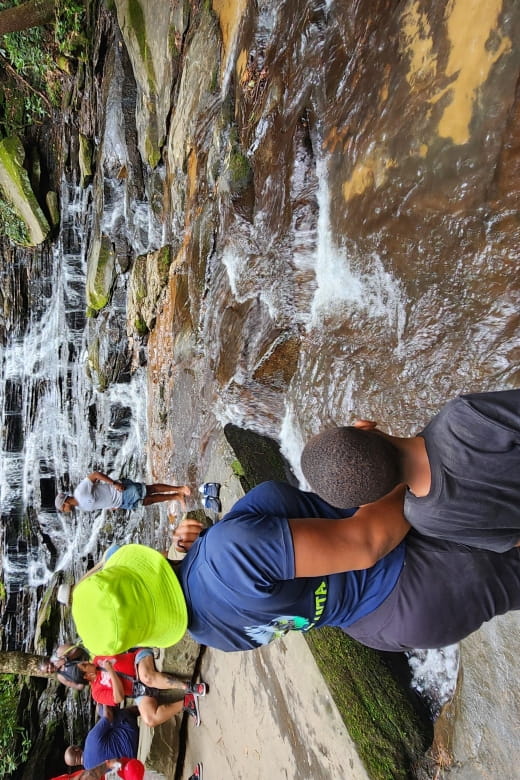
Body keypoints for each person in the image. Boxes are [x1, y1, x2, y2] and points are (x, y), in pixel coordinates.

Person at [71, 481, 520, 654]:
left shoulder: (208, 632)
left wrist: (205, 540)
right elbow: (365, 543)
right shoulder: (226, 552)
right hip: (413, 571)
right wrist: (402, 468)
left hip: (384, 626)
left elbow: (262, 588)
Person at [300, 388, 520, 552]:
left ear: (373, 499)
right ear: (365, 425)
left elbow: (513, 540)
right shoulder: (463, 417)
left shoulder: (427, 520)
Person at [74, 648, 204, 726]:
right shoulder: (96, 693)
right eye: (84, 665)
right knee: (149, 719)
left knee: (146, 677)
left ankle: (188, 687)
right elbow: (118, 698)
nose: (87, 661)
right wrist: (111, 671)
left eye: (83, 662)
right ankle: (187, 702)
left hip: (138, 660)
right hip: (138, 691)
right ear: (86, 676)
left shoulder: (98, 659)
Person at [55, 471, 191, 513]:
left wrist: (114, 483)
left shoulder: (80, 491)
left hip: (120, 491)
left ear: (65, 502)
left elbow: (95, 475)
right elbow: (99, 502)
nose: (65, 511)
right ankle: (177, 496)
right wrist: (112, 506)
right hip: (121, 503)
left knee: (150, 489)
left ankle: (179, 488)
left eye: (63, 509)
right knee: (149, 500)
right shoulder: (80, 507)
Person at [64, 706, 139, 770]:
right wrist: (103, 699)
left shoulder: (91, 773)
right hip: (131, 735)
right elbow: (108, 716)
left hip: (130, 763)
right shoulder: (90, 740)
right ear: (76, 749)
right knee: (101, 708)